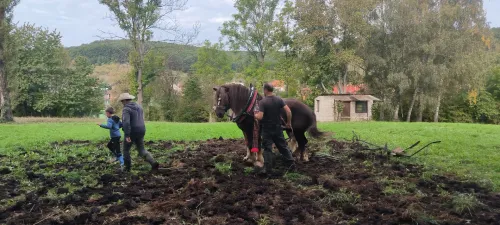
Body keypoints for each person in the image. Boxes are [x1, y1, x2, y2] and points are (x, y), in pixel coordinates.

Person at [255, 82, 295, 175]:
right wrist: (288, 123)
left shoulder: (263, 102)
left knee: (267, 148)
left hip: (267, 129)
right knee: (283, 146)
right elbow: (288, 111)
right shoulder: (279, 99)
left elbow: (260, 117)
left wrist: (254, 115)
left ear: (265, 90)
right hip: (278, 128)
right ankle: (291, 165)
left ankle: (268, 169)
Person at [118, 93, 160, 172]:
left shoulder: (126, 109)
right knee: (141, 150)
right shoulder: (139, 107)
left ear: (124, 100)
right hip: (142, 129)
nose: (122, 103)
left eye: (121, 101)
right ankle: (153, 162)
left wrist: (127, 135)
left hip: (132, 131)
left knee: (126, 150)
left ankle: (127, 168)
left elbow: (126, 122)